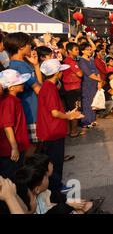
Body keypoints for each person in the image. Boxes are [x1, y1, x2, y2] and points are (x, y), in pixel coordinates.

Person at [37, 59, 84, 198]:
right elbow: (54, 112)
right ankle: (55, 189)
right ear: (58, 73)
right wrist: (70, 116)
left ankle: (55, 187)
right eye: (61, 71)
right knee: (55, 162)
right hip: (53, 131)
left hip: (50, 130)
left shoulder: (47, 85)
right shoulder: (50, 88)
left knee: (53, 161)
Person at [4, 33, 43, 158]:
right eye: (28, 44)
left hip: (31, 111)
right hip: (30, 112)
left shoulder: (21, 64)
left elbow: (38, 85)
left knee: (35, 146)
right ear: (21, 47)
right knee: (32, 148)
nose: (31, 47)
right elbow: (39, 90)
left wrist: (36, 66)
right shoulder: (19, 66)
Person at [0, 70, 31, 179]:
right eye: (19, 82)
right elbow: (7, 126)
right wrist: (14, 147)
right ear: (11, 88)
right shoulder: (9, 101)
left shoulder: (12, 100)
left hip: (15, 146)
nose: (22, 84)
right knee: (13, 178)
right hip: (10, 150)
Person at [62, 43, 84, 138]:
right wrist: (79, 72)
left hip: (69, 88)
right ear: (69, 51)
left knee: (69, 110)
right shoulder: (71, 61)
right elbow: (80, 74)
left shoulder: (66, 61)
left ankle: (68, 130)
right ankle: (74, 131)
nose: (78, 51)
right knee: (75, 110)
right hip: (73, 89)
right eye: (76, 49)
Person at [78, 43, 102, 130]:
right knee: (87, 102)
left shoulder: (91, 60)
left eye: (90, 49)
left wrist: (99, 82)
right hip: (87, 84)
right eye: (87, 49)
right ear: (82, 51)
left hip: (94, 83)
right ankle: (86, 121)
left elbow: (97, 71)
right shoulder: (81, 61)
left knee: (94, 101)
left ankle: (92, 119)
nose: (89, 51)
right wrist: (99, 80)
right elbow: (88, 73)